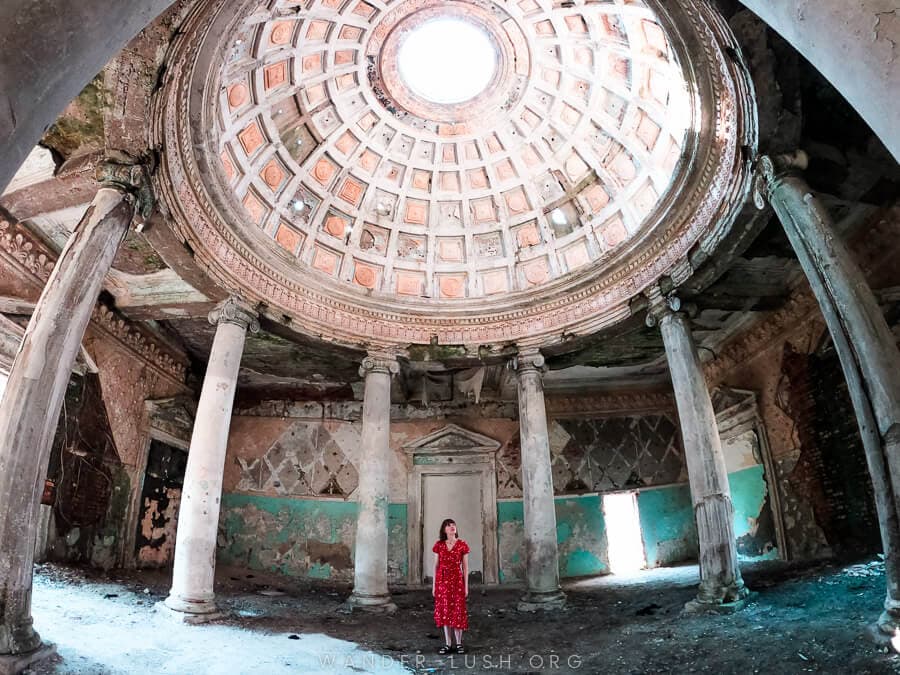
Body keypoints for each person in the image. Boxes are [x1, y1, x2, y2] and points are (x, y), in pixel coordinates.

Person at [432, 518, 469, 655]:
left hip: (457, 581)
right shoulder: (439, 545)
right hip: (442, 582)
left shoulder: (462, 545)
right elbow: (435, 567)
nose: (452, 527)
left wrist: (466, 587)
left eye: (453, 524)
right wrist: (434, 586)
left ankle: (459, 643)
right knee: (446, 612)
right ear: (444, 530)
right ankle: (448, 644)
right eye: (448, 525)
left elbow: (465, 568)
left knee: (457, 611)